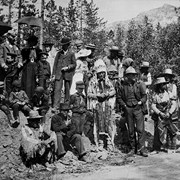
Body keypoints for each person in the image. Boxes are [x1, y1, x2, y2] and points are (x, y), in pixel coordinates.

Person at [116, 66, 148, 157]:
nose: (133, 76)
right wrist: (124, 106)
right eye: (131, 75)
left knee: (140, 129)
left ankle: (142, 149)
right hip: (128, 109)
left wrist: (140, 102)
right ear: (127, 76)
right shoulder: (122, 86)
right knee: (131, 129)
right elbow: (119, 98)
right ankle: (133, 148)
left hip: (138, 108)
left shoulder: (139, 84)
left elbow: (144, 96)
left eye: (134, 75)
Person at [87, 59, 116, 147]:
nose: (102, 74)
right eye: (100, 73)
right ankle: (100, 141)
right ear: (97, 73)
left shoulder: (108, 82)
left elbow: (113, 91)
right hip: (97, 104)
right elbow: (89, 93)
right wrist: (97, 96)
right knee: (99, 123)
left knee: (108, 122)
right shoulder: (93, 82)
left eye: (103, 73)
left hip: (107, 104)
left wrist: (107, 94)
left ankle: (109, 141)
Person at [52, 37, 76, 108]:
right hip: (59, 74)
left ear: (68, 45)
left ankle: (66, 106)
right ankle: (55, 106)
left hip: (68, 74)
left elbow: (74, 64)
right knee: (57, 89)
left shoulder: (71, 53)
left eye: (64, 45)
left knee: (67, 90)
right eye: (62, 45)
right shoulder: (59, 53)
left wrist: (68, 67)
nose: (63, 46)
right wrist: (53, 74)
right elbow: (55, 64)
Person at [21, 35, 42, 99]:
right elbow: (23, 59)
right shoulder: (25, 50)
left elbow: (39, 60)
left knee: (34, 83)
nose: (32, 43)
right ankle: (26, 98)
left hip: (35, 67)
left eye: (33, 42)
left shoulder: (38, 51)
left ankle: (33, 99)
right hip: (27, 67)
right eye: (31, 42)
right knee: (26, 83)